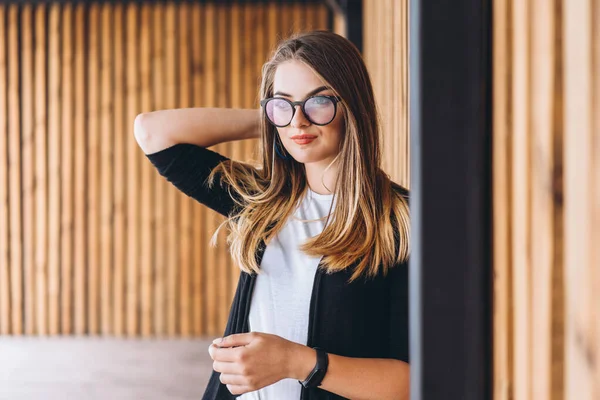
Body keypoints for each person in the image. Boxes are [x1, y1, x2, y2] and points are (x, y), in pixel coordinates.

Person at [134, 30, 410, 400]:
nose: (299, 122)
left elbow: (413, 381)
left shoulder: (401, 221)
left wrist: (296, 362)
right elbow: (153, 131)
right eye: (283, 103)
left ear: (353, 107)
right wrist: (273, 122)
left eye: (318, 102)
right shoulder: (262, 201)